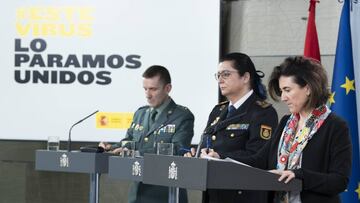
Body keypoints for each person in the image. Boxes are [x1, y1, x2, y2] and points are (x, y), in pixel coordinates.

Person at [235, 56, 352, 203]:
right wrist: (220, 157)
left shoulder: (335, 125)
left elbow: (339, 181)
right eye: (281, 91)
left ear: (308, 88)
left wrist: (298, 175)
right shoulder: (285, 122)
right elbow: (259, 160)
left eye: (287, 90)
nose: (283, 97)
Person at [186, 52, 278, 203]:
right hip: (214, 193)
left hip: (244, 195)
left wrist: (220, 157)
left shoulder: (262, 112)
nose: (220, 80)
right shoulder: (218, 110)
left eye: (226, 74)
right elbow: (209, 144)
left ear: (245, 77)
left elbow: (259, 158)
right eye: (218, 75)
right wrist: (196, 155)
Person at [100, 65, 194, 203]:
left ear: (168, 88)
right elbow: (129, 141)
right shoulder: (140, 113)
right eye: (145, 89)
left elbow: (178, 149)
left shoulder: (182, 116)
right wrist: (111, 147)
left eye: (153, 89)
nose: (147, 94)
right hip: (138, 191)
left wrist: (136, 152)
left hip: (166, 193)